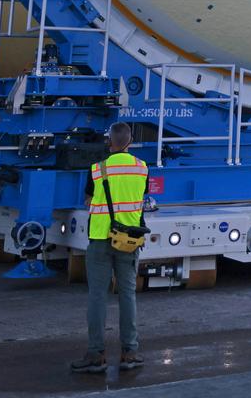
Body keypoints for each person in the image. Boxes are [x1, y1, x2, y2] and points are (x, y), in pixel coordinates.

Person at [72, 123, 148, 375]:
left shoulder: (97, 169)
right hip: (129, 241)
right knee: (128, 295)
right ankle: (130, 352)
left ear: (109, 141)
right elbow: (141, 198)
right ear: (130, 141)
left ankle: (96, 355)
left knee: (97, 296)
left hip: (101, 239)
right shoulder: (141, 168)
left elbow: (87, 200)